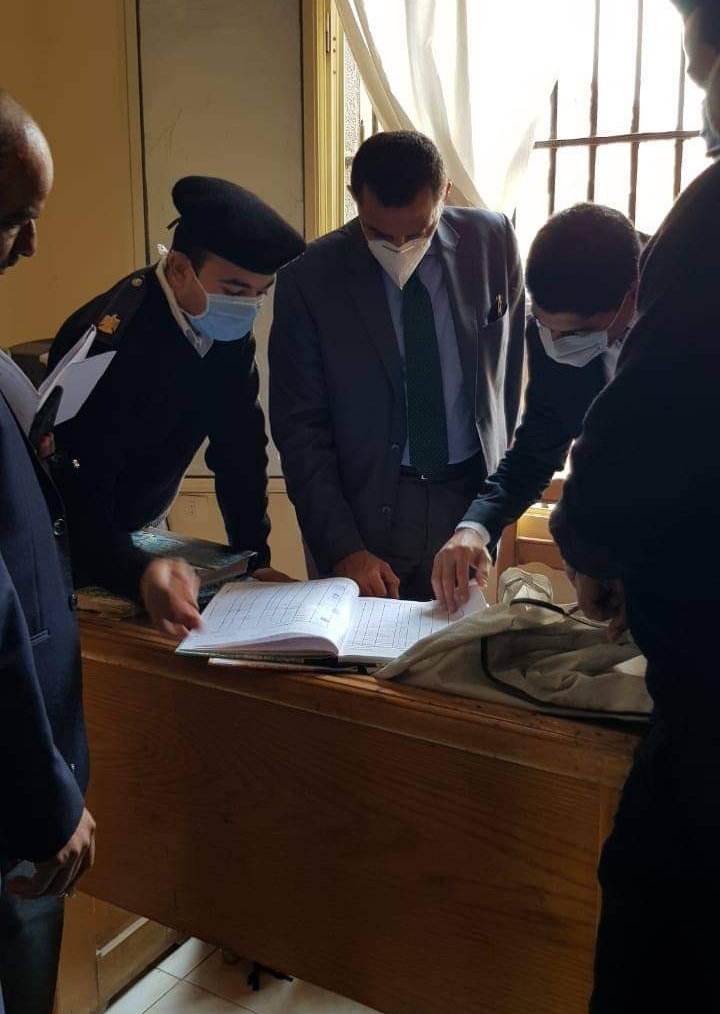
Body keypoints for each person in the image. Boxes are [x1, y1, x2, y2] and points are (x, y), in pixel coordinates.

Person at [550, 0, 720, 1014]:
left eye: (705, 67)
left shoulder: (709, 220)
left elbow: (621, 470)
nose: (704, 97)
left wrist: (591, 548)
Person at [270, 130, 525, 601]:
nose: (400, 245)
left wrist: (488, 510)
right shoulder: (309, 277)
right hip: (363, 510)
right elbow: (300, 427)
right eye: (380, 233)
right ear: (355, 198)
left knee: (454, 642)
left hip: (464, 501)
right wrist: (343, 547)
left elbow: (507, 377)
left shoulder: (493, 241)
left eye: (418, 231)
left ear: (445, 193)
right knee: (358, 647)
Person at [48, 176, 305, 637]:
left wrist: (252, 558)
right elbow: (75, 489)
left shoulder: (224, 329)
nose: (247, 307)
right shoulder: (105, 343)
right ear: (181, 269)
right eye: (235, 289)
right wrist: (136, 572)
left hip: (143, 521)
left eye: (260, 293)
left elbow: (240, 449)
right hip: (74, 534)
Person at [0, 90, 95, 1014]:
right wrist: (52, 797)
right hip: (16, 798)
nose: (32, 244)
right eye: (16, 219)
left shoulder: (4, 369)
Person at [432, 204, 640, 610]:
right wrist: (474, 528)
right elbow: (535, 454)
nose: (557, 345)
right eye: (545, 327)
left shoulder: (691, 319)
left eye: (576, 333)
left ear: (630, 296)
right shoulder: (548, 335)